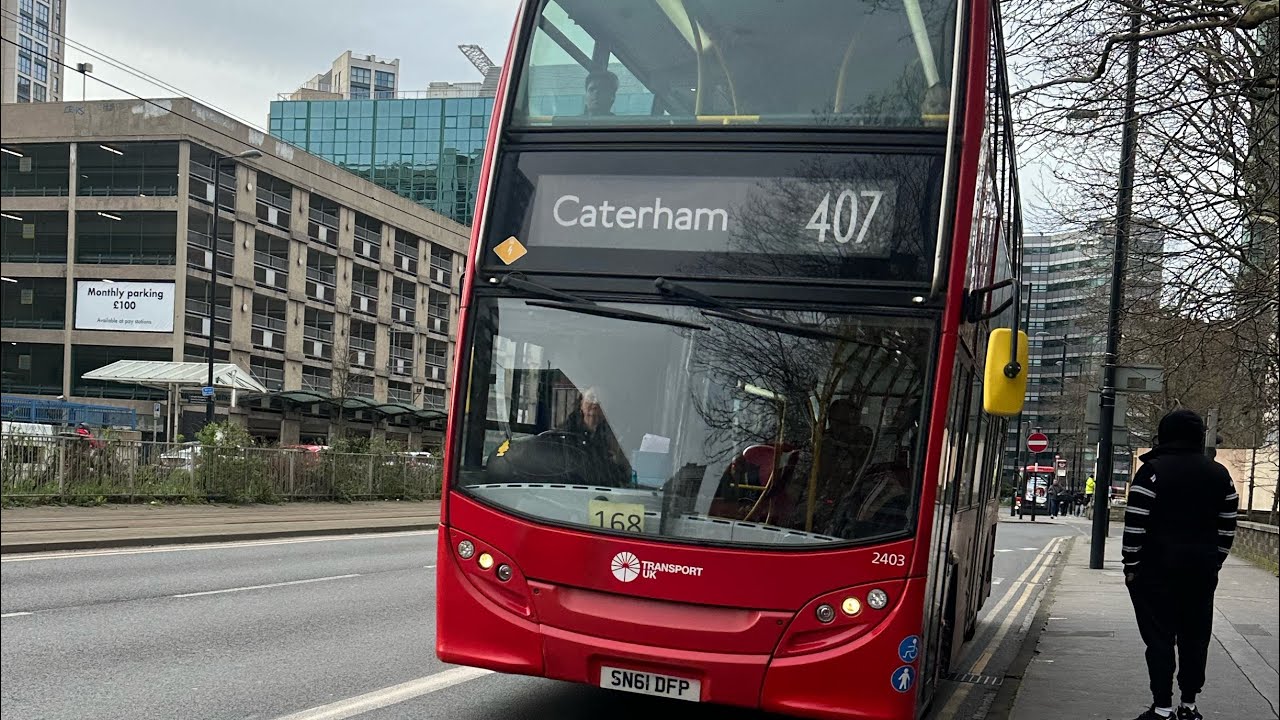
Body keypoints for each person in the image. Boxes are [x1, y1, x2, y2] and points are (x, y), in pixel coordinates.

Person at [1121, 409, 1238, 720]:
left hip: (1155, 570)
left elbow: (1135, 524)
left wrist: (1131, 565)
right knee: (1195, 638)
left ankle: (1162, 708)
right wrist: (1214, 561)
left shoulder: (1152, 472)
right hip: (1201, 570)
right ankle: (1189, 705)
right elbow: (1228, 526)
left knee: (1159, 639)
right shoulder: (1220, 474)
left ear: (1165, 434)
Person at [558, 386, 632, 487]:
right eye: (591, 398)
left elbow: (624, 473)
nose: (595, 404)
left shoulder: (615, 435)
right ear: (581, 403)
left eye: (600, 400)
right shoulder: (565, 433)